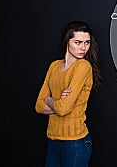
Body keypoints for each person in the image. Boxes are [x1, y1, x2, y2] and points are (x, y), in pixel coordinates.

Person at [35, 21, 101, 167]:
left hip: (75, 142)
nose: (83, 48)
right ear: (67, 41)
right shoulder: (54, 66)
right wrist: (58, 103)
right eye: (78, 42)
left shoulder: (83, 66)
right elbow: (38, 105)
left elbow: (63, 109)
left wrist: (49, 99)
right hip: (53, 139)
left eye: (87, 43)